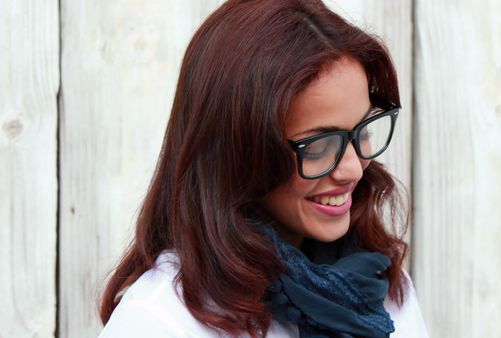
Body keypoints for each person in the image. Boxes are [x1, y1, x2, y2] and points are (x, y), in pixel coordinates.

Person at [98, 0, 429, 337]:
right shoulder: (159, 322)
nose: (352, 170)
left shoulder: (378, 287)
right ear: (238, 149)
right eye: (318, 145)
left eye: (363, 130)